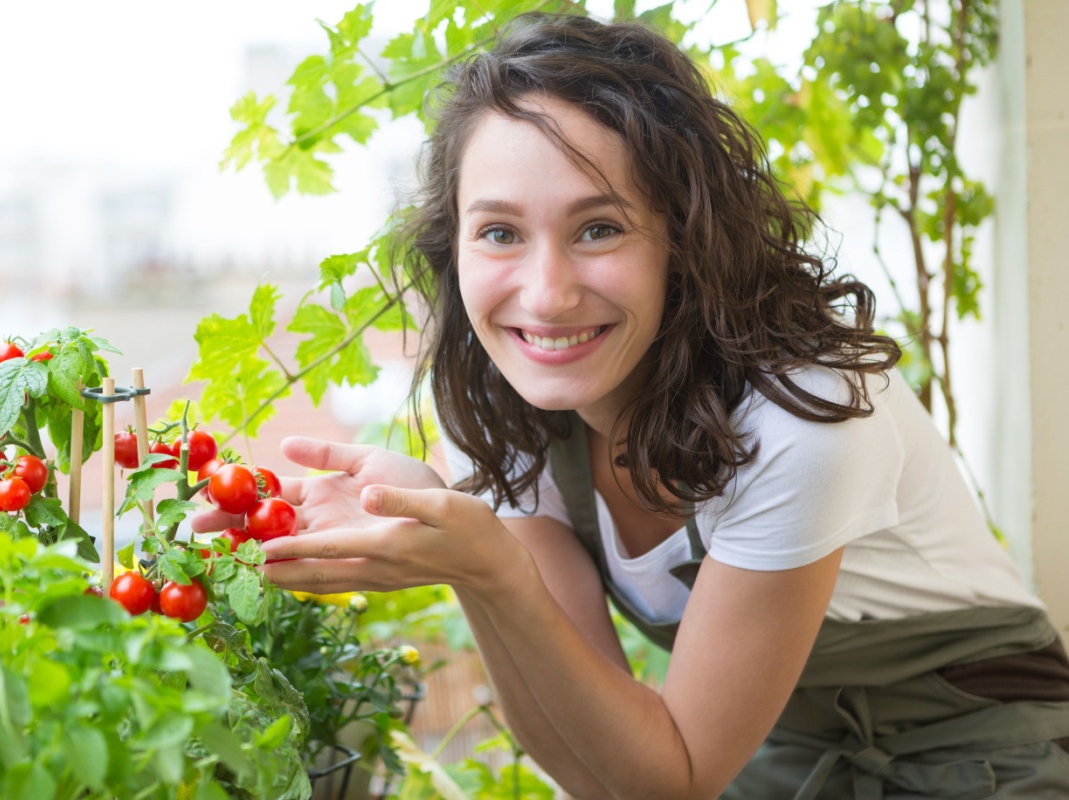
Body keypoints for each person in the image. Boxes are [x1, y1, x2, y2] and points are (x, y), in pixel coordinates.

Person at [195, 13, 1069, 799]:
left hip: (988, 755)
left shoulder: (804, 416)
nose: (546, 294)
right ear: (452, 246)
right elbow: (595, 768)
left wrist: (490, 562)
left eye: (599, 228)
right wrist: (465, 544)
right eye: (499, 231)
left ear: (681, 239)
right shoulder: (504, 405)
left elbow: (670, 777)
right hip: (777, 762)